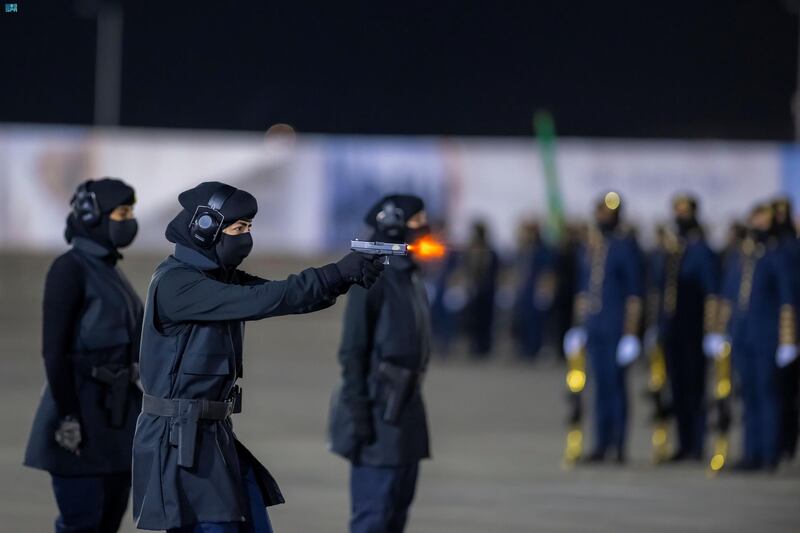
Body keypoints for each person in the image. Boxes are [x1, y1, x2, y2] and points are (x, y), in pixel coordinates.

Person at [131, 182, 384, 532]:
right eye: (238, 228)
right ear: (205, 228)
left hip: (212, 435)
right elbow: (264, 299)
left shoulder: (217, 279)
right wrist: (335, 273)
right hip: (179, 445)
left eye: (249, 228)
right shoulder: (178, 284)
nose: (246, 237)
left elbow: (283, 296)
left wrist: (343, 279)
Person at [24, 178, 143, 533]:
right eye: (122, 212)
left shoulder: (109, 269)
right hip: (81, 414)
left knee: (107, 521)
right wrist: (68, 416)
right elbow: (54, 351)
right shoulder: (69, 269)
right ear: (93, 216)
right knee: (82, 523)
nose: (129, 220)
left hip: (117, 417)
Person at [328, 194, 432, 533]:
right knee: (373, 518)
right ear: (393, 223)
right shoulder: (373, 277)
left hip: (406, 412)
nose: (424, 227)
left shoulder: (410, 275)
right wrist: (359, 412)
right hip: (377, 415)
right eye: (417, 220)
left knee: (396, 515)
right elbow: (352, 350)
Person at [563, 192, 643, 463]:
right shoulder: (592, 246)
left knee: (616, 387)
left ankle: (619, 446)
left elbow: (634, 294)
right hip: (595, 327)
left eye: (606, 213)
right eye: (599, 212)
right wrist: (578, 326)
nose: (601, 217)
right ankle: (601, 443)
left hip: (615, 329)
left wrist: (631, 335)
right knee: (599, 388)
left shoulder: (625, 246)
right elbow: (584, 290)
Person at [718, 203, 797, 470]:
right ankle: (751, 452)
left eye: (764, 220)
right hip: (742, 336)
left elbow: (787, 299)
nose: (758, 225)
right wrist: (723, 331)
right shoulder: (743, 256)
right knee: (748, 396)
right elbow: (729, 297)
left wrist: (787, 341)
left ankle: (768, 453)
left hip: (766, 337)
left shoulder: (776, 255)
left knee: (767, 395)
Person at [656, 194, 720, 462]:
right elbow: (662, 290)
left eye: (684, 211)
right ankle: (683, 444)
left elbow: (711, 292)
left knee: (695, 388)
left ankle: (696, 444)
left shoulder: (700, 249)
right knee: (677, 388)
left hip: (694, 330)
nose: (679, 215)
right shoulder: (673, 250)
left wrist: (712, 329)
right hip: (674, 329)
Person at [771, 197, 799, 463]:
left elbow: (790, 295)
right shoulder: (771, 248)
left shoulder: (791, 247)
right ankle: (779, 444)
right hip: (774, 332)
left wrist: (790, 337)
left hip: (790, 330)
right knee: (779, 392)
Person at [511, 221, 556, 359]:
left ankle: (534, 349)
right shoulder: (524, 249)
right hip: (524, 290)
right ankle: (524, 348)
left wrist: (545, 290)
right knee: (523, 319)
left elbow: (547, 272)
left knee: (535, 322)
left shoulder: (543, 250)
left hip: (536, 290)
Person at [463, 221, 500, 358]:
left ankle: (485, 347)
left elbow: (494, 271)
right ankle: (475, 346)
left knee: (486, 319)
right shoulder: (471, 250)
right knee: (474, 319)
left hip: (487, 290)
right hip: (474, 290)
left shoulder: (489, 251)